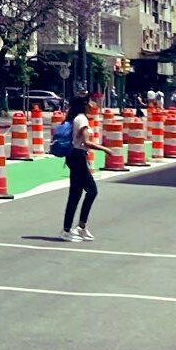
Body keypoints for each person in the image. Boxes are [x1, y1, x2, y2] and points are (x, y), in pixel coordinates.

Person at [61, 95, 113, 242]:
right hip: (77, 157)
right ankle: (75, 228)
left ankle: (73, 228)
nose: (93, 104)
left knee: (76, 194)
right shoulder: (81, 119)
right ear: (85, 104)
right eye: (90, 101)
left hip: (75, 156)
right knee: (91, 191)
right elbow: (86, 142)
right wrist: (105, 149)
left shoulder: (78, 118)